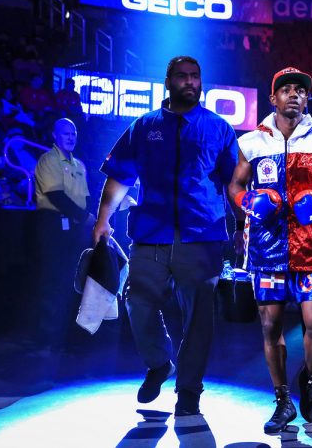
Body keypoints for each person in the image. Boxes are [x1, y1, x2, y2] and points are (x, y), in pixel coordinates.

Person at [92, 56, 238, 415]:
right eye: (182, 76)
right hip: (151, 232)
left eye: (195, 77)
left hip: (202, 234)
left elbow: (236, 184)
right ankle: (159, 363)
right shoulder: (144, 126)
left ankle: (189, 389)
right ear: (168, 81)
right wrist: (102, 219)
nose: (190, 82)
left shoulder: (218, 128)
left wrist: (244, 228)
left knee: (199, 317)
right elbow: (119, 175)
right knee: (136, 302)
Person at [228, 67, 312, 433]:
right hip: (268, 249)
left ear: (306, 99)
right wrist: (248, 201)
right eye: (286, 90)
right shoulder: (251, 142)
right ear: (273, 98)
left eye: (300, 91)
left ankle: (308, 382)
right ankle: (282, 400)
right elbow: (234, 187)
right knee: (270, 326)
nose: (294, 95)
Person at [34, 117, 94, 352]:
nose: (71, 137)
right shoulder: (48, 160)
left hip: (76, 229)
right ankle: (47, 338)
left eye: (74, 133)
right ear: (55, 136)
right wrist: (83, 217)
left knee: (74, 280)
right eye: (66, 133)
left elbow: (87, 198)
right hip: (53, 226)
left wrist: (86, 217)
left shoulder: (79, 165)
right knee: (53, 280)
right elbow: (55, 196)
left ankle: (69, 338)